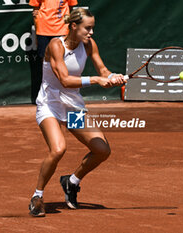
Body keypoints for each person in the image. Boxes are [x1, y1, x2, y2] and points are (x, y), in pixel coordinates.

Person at [28, 8, 126, 217]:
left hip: (72, 105)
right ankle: (37, 195)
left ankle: (71, 182)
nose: (91, 33)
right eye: (87, 28)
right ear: (74, 26)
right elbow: (65, 80)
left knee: (102, 150)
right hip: (50, 103)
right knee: (58, 149)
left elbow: (102, 71)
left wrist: (112, 77)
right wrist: (96, 80)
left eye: (92, 28)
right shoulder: (56, 45)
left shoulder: (89, 44)